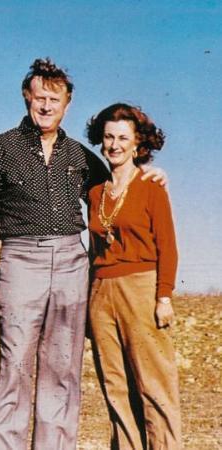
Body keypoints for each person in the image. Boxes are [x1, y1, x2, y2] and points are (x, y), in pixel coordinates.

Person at [0, 59, 166, 450]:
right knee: (15, 367)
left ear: (67, 104)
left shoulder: (78, 156)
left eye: (54, 99)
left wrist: (150, 173)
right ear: (27, 97)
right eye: (39, 96)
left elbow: (117, 185)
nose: (45, 105)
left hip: (73, 265)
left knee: (62, 371)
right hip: (21, 261)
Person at [86, 103, 181, 449]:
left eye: (123, 137)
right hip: (100, 292)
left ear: (138, 143)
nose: (114, 144)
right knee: (116, 388)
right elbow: (95, 248)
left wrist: (164, 296)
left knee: (154, 387)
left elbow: (167, 247)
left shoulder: (151, 186)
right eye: (109, 136)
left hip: (142, 289)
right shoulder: (95, 191)